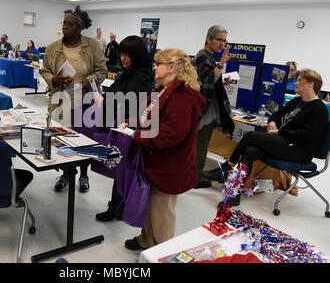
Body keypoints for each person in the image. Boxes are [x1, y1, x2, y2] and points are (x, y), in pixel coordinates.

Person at [123, 48, 206, 250]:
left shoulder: (183, 98)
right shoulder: (162, 90)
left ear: (171, 68)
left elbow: (170, 135)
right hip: (155, 161)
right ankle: (147, 240)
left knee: (162, 213)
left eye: (158, 64)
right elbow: (147, 118)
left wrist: (137, 136)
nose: (154, 67)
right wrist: (130, 123)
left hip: (170, 165)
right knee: (151, 207)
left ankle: (163, 251)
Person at [208, 68, 328, 207]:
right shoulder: (297, 101)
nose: (295, 83)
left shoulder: (319, 108)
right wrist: (272, 122)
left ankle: (226, 168)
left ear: (310, 84)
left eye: (299, 80)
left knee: (250, 135)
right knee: (251, 151)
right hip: (283, 142)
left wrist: (280, 132)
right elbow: (276, 114)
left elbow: (309, 136)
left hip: (299, 150)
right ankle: (235, 194)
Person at [40, 5, 107, 193]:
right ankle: (66, 173)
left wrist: (89, 80)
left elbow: (102, 71)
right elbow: (44, 70)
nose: (65, 27)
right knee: (63, 140)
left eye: (70, 24)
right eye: (64, 23)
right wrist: (54, 78)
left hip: (85, 104)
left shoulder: (92, 46)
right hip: (61, 103)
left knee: (84, 140)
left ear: (80, 27)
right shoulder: (53, 48)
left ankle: (84, 175)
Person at [95, 35, 154, 222]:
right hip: (122, 126)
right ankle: (117, 207)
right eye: (121, 54)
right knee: (120, 170)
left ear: (136, 55)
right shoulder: (129, 73)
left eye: (127, 55)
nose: (123, 59)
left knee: (123, 170)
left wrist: (108, 100)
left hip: (129, 130)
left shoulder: (143, 75)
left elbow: (131, 102)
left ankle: (117, 209)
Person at [193, 25, 235, 189]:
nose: (222, 44)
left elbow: (208, 81)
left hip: (207, 109)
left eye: (224, 41)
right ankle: (196, 178)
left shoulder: (207, 57)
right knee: (201, 144)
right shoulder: (203, 57)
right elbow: (207, 82)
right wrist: (221, 64)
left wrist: (222, 81)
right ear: (208, 39)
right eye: (219, 40)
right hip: (206, 111)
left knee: (200, 144)